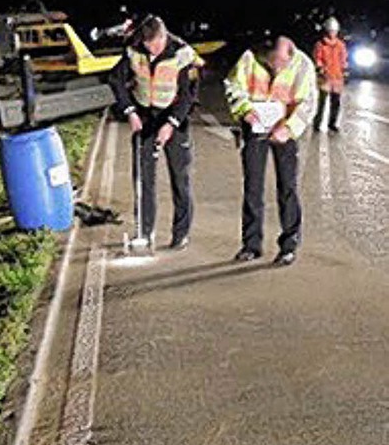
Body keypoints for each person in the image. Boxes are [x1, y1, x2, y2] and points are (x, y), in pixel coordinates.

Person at [110, 15, 203, 249]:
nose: (153, 49)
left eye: (157, 44)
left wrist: (171, 124)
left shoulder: (182, 54)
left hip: (174, 118)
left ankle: (180, 233)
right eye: (148, 45)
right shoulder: (133, 49)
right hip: (144, 116)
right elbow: (115, 79)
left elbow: (188, 95)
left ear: (164, 35)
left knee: (179, 179)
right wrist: (129, 111)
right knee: (143, 179)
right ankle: (144, 231)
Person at [225, 33, 316, 267]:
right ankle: (251, 245)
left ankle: (289, 245)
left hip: (284, 130)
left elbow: (308, 103)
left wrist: (289, 128)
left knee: (288, 188)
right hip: (254, 128)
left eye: (281, 65)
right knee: (252, 187)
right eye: (272, 63)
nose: (276, 69)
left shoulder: (303, 64)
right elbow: (233, 86)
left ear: (291, 53)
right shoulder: (249, 58)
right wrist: (244, 109)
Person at [313, 17, 348, 133]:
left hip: (337, 78)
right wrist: (320, 68)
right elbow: (317, 58)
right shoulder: (320, 44)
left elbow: (343, 60)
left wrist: (345, 70)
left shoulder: (340, 45)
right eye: (330, 31)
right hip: (325, 77)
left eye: (334, 31)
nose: (332, 33)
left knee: (336, 103)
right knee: (322, 103)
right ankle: (317, 123)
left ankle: (332, 123)